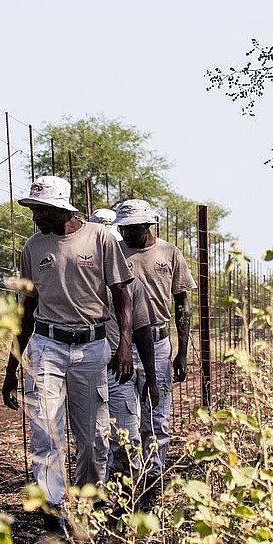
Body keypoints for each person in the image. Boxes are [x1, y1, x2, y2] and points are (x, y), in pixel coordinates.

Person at [0, 176, 135, 535]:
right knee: (46, 430)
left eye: (40, 210)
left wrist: (123, 343)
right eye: (33, 210)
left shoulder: (101, 238)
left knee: (92, 436)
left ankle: (90, 502)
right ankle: (53, 509)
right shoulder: (32, 247)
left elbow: (122, 295)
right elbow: (26, 311)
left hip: (92, 346)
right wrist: (13, 366)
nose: (35, 218)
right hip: (47, 346)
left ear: (61, 209)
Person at [112, 199, 196, 509]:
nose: (128, 234)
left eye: (134, 229)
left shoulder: (168, 252)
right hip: (121, 341)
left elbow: (182, 303)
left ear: (148, 226)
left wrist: (183, 352)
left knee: (155, 418)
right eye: (124, 229)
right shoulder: (115, 252)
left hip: (158, 344)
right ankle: (122, 482)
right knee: (123, 420)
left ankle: (151, 482)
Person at [86, 209, 160, 492]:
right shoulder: (75, 279)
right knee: (94, 440)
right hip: (87, 370)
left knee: (126, 440)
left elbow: (142, 330)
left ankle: (130, 502)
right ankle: (99, 504)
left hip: (120, 372)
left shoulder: (131, 284)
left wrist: (151, 379)